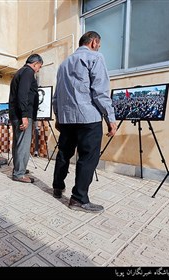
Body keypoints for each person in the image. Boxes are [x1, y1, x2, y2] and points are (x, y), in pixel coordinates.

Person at [52, 31, 117, 213]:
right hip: (88, 118)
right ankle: (79, 199)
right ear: (94, 42)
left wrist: (58, 117)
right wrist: (110, 118)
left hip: (66, 119)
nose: (99, 47)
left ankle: (58, 187)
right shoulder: (95, 58)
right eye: (99, 44)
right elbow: (100, 92)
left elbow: (57, 97)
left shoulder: (63, 64)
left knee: (64, 152)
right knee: (88, 157)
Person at [9, 53, 43, 183]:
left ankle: (18, 169)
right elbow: (23, 94)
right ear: (35, 63)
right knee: (23, 144)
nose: (39, 69)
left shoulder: (20, 72)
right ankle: (19, 173)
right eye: (39, 66)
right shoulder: (28, 72)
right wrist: (24, 115)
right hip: (23, 115)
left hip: (16, 114)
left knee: (18, 143)